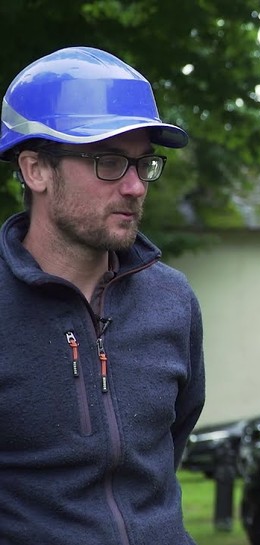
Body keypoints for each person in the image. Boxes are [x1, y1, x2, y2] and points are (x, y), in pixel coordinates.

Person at [0, 47, 204, 545]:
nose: (135, 187)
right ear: (36, 169)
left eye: (143, 163)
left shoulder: (172, 301)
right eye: (109, 161)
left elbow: (170, 446)